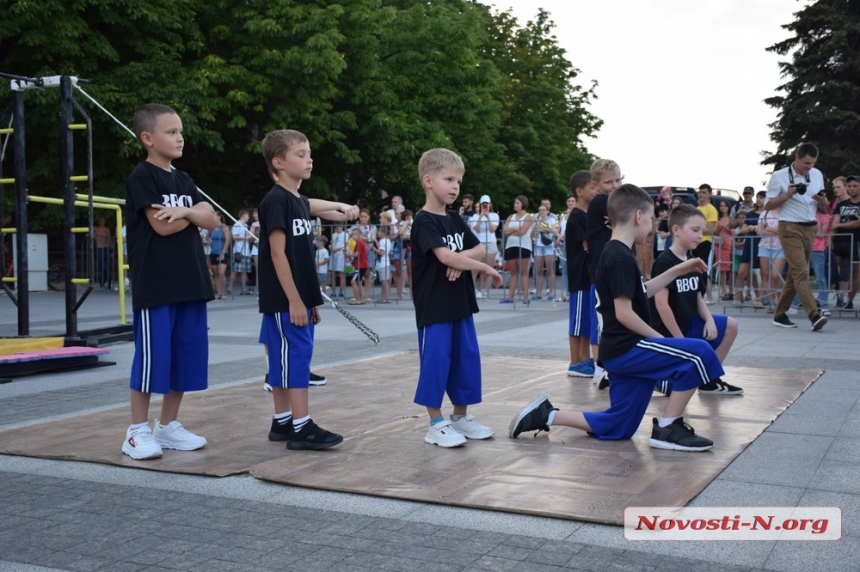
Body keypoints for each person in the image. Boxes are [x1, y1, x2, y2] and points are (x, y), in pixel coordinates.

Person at [510, 184, 721, 451]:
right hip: (628, 348)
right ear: (638, 217)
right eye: (651, 218)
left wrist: (679, 269)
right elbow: (624, 313)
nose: (652, 226)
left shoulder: (618, 252)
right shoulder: (619, 256)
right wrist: (663, 342)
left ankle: (547, 414)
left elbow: (640, 292)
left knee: (620, 425)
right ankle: (669, 426)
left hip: (617, 352)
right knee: (699, 352)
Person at [122, 103, 219, 460]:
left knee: (184, 356)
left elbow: (213, 220)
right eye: (171, 132)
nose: (179, 138)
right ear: (148, 138)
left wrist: (188, 212)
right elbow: (162, 226)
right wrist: (194, 214)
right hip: (157, 285)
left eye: (180, 132)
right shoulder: (143, 177)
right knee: (152, 359)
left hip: (191, 282)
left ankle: (167, 426)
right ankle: (136, 432)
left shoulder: (184, 179)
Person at [257, 128, 358, 450]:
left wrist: (310, 299)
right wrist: (295, 301)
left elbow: (311, 208)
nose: (309, 159)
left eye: (309, 153)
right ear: (279, 162)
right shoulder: (275, 201)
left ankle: (283, 421)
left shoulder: (296, 200)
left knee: (287, 359)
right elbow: (277, 253)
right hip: (285, 301)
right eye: (300, 154)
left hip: (297, 298)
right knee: (295, 360)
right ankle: (301, 427)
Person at [411, 148, 502, 447]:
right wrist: (479, 267)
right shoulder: (424, 221)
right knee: (436, 361)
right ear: (428, 180)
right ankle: (435, 424)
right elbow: (444, 254)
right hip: (434, 307)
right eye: (448, 179)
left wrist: (459, 259)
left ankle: (460, 418)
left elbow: (476, 248)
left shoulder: (454, 218)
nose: (455, 186)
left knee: (466, 360)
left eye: (458, 181)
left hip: (460, 304)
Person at [650, 205, 743, 395]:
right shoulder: (665, 261)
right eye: (695, 230)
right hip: (668, 332)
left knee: (731, 326)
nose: (701, 235)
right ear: (676, 230)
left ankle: (709, 380)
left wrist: (709, 319)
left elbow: (697, 296)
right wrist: (680, 341)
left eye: (702, 230)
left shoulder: (692, 259)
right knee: (670, 389)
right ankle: (656, 378)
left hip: (690, 323)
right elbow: (661, 304)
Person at [764, 143, 828, 330]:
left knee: (795, 273)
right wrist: (786, 196)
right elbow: (768, 205)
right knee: (801, 271)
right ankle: (814, 315)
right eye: (806, 163)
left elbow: (824, 207)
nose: (810, 166)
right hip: (789, 227)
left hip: (810, 228)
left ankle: (780, 314)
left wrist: (822, 201)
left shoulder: (816, 175)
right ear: (797, 158)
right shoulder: (780, 176)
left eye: (813, 163)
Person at [585, 159, 624, 386]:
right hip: (602, 271)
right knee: (601, 320)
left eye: (618, 179)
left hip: (612, 269)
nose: (615, 185)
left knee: (609, 318)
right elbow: (628, 214)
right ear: (596, 184)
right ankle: (600, 368)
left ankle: (606, 366)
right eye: (609, 182)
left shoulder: (611, 201)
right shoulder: (601, 202)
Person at [565, 170, 598, 378]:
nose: (595, 191)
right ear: (579, 191)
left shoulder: (586, 215)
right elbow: (588, 245)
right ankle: (575, 361)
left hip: (588, 277)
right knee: (577, 323)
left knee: (586, 321)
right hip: (579, 278)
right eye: (592, 187)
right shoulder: (577, 216)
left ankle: (586, 359)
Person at [831, 175, 860, 310]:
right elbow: (834, 223)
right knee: (834, 269)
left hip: (856, 242)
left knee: (854, 272)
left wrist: (841, 225)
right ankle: (839, 297)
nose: (851, 189)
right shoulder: (841, 205)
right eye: (849, 186)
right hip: (839, 241)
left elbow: (858, 224)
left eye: (855, 186)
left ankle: (850, 300)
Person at [733, 192, 764, 307]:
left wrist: (755, 227)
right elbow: (743, 229)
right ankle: (738, 298)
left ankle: (761, 299)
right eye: (758, 197)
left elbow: (766, 228)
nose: (759, 200)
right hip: (750, 244)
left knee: (764, 273)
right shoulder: (750, 214)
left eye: (762, 197)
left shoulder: (768, 214)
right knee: (741, 272)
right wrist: (751, 228)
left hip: (763, 244)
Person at [501, 195, 533, 304]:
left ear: (523, 204)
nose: (515, 205)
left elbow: (522, 232)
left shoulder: (528, 217)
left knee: (523, 271)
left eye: (517, 203)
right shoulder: (511, 216)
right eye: (515, 203)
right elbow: (505, 230)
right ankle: (510, 297)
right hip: (510, 245)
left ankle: (525, 296)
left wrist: (512, 230)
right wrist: (515, 229)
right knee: (513, 272)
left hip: (523, 245)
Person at [469, 195, 500, 299]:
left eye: (486, 204)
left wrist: (488, 217)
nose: (485, 206)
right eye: (483, 204)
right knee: (476, 268)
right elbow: (476, 229)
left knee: (488, 268)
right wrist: (481, 216)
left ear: (490, 205)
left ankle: (484, 291)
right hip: (479, 244)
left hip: (490, 243)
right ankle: (472, 291)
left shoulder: (495, 215)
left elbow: (492, 229)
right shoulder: (474, 217)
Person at [694, 184, 718, 304]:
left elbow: (711, 229)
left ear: (709, 194)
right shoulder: (697, 208)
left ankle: (708, 296)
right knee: (695, 268)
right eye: (700, 192)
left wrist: (695, 229)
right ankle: (701, 296)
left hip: (706, 242)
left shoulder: (711, 209)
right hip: (695, 242)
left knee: (703, 269)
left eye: (704, 192)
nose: (701, 194)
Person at [533, 203, 558, 300]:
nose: (542, 212)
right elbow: (534, 231)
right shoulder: (537, 221)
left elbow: (552, 230)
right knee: (538, 270)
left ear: (547, 211)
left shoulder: (551, 220)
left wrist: (541, 227)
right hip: (539, 245)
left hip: (548, 246)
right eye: (540, 210)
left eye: (544, 210)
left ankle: (551, 292)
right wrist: (541, 227)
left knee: (549, 270)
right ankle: (538, 292)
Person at [229, 209, 252, 295]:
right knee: (235, 270)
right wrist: (246, 238)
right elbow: (235, 237)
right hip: (239, 251)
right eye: (247, 215)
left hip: (246, 251)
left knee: (244, 271)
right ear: (243, 216)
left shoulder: (245, 225)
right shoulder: (237, 225)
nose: (249, 217)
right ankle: (230, 288)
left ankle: (243, 289)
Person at [208, 213, 230, 299]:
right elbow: (208, 237)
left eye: (215, 216)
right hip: (213, 251)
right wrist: (208, 241)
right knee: (216, 273)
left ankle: (223, 292)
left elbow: (227, 240)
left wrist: (223, 252)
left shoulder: (224, 227)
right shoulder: (212, 227)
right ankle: (219, 292)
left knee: (221, 273)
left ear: (219, 216)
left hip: (222, 252)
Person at [715, 200, 734, 300]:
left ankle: (731, 290)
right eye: (721, 206)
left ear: (728, 207)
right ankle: (723, 289)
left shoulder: (731, 219)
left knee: (730, 268)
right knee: (721, 267)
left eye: (725, 206)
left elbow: (732, 231)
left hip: (728, 243)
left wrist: (723, 225)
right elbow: (716, 231)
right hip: (719, 243)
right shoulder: (718, 218)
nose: (722, 208)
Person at [346, 227, 368, 304]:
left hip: (360, 265)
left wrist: (347, 254)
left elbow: (357, 254)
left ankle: (357, 299)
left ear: (360, 235)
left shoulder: (359, 243)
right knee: (359, 282)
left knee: (353, 281)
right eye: (353, 234)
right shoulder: (359, 243)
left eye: (356, 234)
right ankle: (361, 299)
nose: (354, 236)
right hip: (361, 265)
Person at [373, 223, 392, 303]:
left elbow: (381, 253)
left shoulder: (383, 241)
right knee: (384, 280)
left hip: (383, 263)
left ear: (383, 232)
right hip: (386, 262)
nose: (378, 233)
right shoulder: (387, 240)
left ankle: (386, 297)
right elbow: (381, 247)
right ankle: (384, 296)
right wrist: (375, 240)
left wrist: (373, 248)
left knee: (384, 281)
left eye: (379, 231)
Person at [93, 217, 113, 289]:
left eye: (103, 220)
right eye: (100, 220)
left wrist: (112, 249)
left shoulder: (106, 229)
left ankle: (106, 282)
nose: (102, 222)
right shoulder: (95, 229)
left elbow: (109, 239)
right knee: (103, 266)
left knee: (106, 266)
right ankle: (105, 281)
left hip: (106, 248)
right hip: (100, 248)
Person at [329, 223, 347, 298]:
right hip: (333, 255)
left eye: (339, 226)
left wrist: (337, 249)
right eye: (336, 227)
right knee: (333, 273)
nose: (338, 228)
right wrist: (330, 247)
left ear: (342, 227)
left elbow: (346, 245)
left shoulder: (345, 234)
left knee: (340, 273)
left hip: (340, 254)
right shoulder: (334, 235)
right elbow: (331, 243)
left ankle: (341, 292)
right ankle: (333, 292)